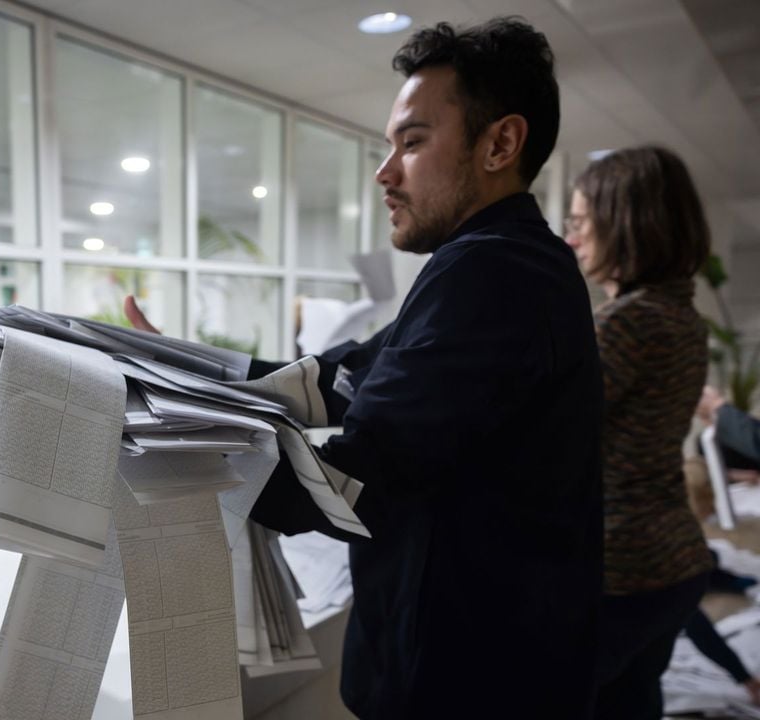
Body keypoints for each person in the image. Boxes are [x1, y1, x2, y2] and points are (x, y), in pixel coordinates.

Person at [128, 17, 604, 719]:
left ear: (500, 144)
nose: (385, 172)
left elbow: (360, 476)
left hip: (471, 685)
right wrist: (182, 371)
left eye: (412, 142)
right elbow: (344, 376)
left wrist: (161, 437)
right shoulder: (505, 261)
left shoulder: (495, 271)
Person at [563, 145, 714, 718]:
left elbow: (540, 431)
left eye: (581, 222)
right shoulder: (682, 315)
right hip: (674, 561)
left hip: (622, 569)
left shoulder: (627, 321)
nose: (572, 237)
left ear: (625, 224)